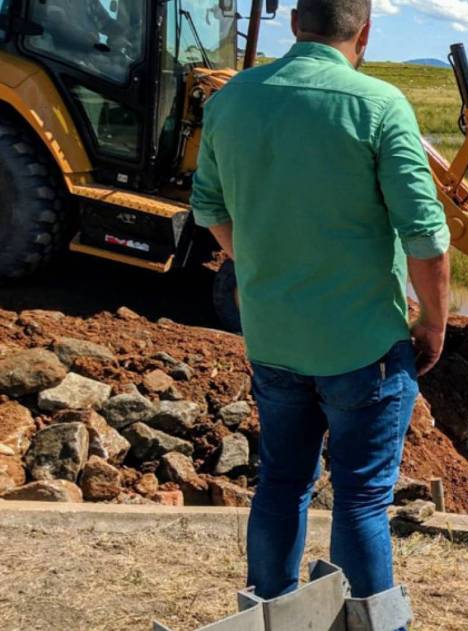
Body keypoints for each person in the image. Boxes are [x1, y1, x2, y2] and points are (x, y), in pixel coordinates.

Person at [189, 0, 451, 620]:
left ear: (293, 25)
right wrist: (432, 322)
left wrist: (258, 266)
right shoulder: (379, 104)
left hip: (274, 341)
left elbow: (208, 208)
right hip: (364, 347)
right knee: (361, 498)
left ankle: (271, 615)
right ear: (365, 31)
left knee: (281, 484)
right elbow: (427, 239)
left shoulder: (231, 100)